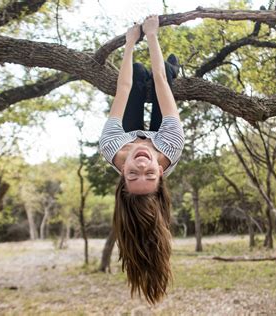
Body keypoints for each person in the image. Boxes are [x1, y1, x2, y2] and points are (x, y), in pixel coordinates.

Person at [98, 15, 184, 304]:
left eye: (134, 176)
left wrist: (129, 42)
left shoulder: (111, 145)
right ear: (161, 172)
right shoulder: (170, 149)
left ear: (122, 173)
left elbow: (121, 88)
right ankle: (174, 70)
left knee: (134, 71)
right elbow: (159, 82)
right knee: (163, 80)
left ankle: (163, 70)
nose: (142, 167)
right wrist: (150, 35)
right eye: (150, 175)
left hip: (129, 134)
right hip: (159, 134)